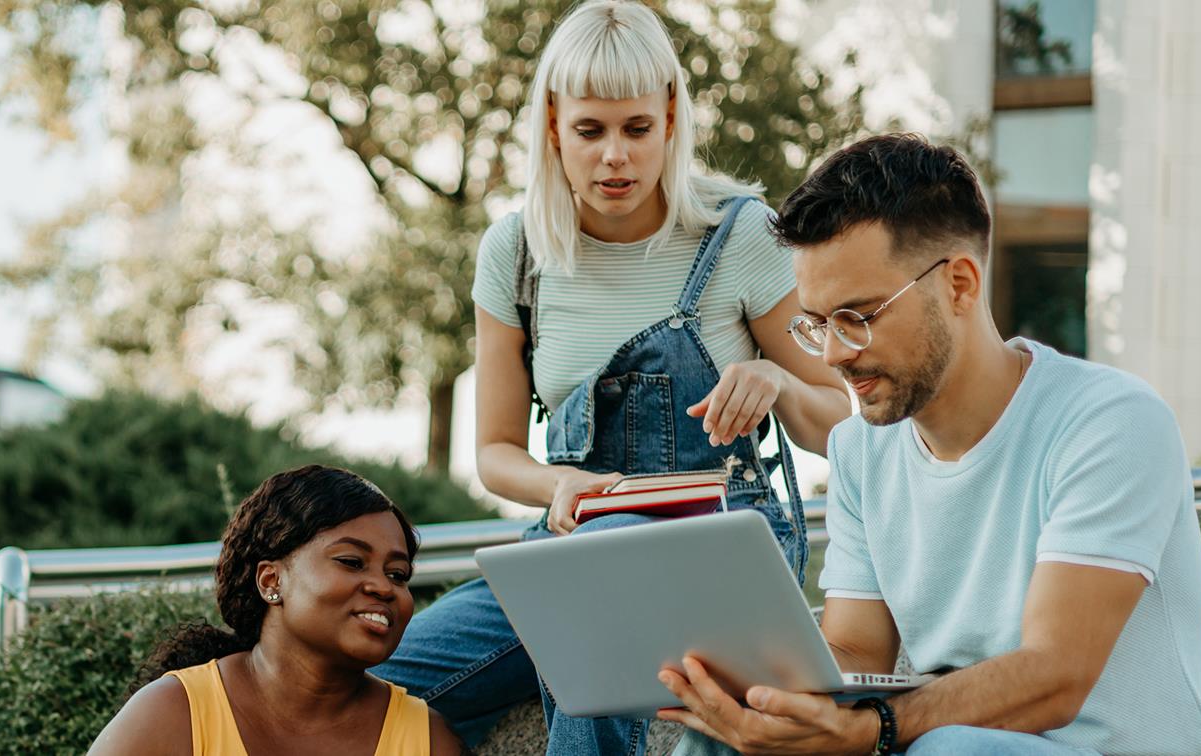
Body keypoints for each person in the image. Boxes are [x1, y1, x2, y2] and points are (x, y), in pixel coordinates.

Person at [371, 2, 851, 753]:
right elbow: (496, 453)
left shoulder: (743, 236)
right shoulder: (516, 253)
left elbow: (844, 421)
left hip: (721, 546)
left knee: (596, 606)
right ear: (554, 126)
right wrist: (562, 486)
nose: (615, 157)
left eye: (637, 129)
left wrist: (780, 385)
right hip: (565, 548)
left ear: (670, 119)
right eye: (590, 131)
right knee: (376, 686)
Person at [658, 133, 1201, 754]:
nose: (832, 354)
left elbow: (1056, 674)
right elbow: (853, 652)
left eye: (859, 316)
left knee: (952, 750)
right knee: (726, 741)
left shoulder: (1110, 422)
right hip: (936, 743)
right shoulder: (859, 451)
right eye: (817, 324)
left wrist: (878, 731)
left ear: (958, 284)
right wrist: (748, 687)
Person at [91, 465, 462, 756]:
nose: (384, 587)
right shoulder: (175, 714)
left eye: (398, 574)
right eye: (351, 561)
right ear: (271, 581)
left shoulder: (428, 740)